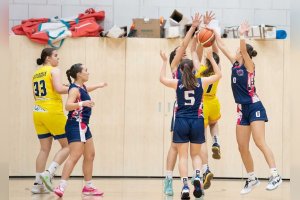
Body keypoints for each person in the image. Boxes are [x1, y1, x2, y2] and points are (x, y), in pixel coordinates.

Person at [214, 21, 282, 194]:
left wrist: (242, 34)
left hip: (254, 107)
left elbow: (243, 49)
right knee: (242, 146)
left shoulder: (250, 66)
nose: (236, 52)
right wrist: (211, 28)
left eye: (238, 51)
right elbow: (221, 45)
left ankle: (275, 175)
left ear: (244, 55)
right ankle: (252, 178)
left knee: (259, 142)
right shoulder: (234, 64)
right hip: (241, 110)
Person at [164, 11, 216, 196]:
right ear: (177, 58)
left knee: (193, 147)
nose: (184, 54)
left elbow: (196, 48)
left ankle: (199, 176)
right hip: (183, 113)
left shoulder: (192, 70)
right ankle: (169, 180)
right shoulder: (175, 67)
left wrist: (203, 28)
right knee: (175, 148)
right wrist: (194, 27)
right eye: (181, 54)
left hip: (190, 113)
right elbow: (186, 46)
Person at [160, 48, 221, 199]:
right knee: (195, 155)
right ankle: (198, 178)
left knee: (183, 157)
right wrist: (210, 58)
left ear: (181, 70)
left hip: (181, 121)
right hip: (197, 121)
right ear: (195, 69)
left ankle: (185, 186)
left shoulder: (177, 83)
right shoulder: (201, 82)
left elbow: (161, 79)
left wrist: (163, 62)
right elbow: (219, 75)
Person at [53, 63, 107, 197]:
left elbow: (87, 89)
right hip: (74, 125)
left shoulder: (81, 87)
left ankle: (88, 187)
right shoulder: (74, 90)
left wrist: (99, 85)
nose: (88, 73)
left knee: (90, 155)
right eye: (86, 70)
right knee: (75, 155)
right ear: (79, 74)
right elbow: (68, 106)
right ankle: (61, 186)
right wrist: (82, 103)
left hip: (83, 125)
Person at [31, 48, 70, 194]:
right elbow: (59, 89)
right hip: (52, 110)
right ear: (48, 58)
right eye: (55, 56)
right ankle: (49, 173)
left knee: (43, 149)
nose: (57, 59)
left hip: (38, 111)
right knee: (69, 145)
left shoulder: (35, 74)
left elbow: (37, 95)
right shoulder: (54, 70)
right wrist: (73, 87)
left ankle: (37, 184)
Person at [189, 35, 222, 190]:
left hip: (202, 104)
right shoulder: (217, 70)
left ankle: (206, 168)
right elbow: (217, 54)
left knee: (201, 139)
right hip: (214, 102)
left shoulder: (199, 70)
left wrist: (197, 38)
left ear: (205, 61)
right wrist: (212, 38)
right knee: (214, 123)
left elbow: (193, 51)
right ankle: (216, 140)